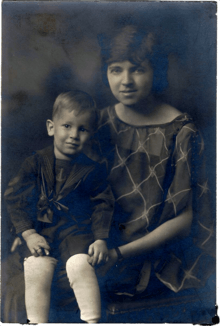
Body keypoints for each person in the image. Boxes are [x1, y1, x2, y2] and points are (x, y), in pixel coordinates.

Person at [91, 25, 215, 298]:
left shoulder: (182, 131)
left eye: (137, 69)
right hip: (98, 245)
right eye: (116, 69)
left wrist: (119, 253)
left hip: (157, 256)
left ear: (156, 71)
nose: (126, 81)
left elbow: (187, 219)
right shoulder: (98, 122)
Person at [4, 90, 114, 323]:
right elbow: (15, 198)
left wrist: (100, 239)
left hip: (76, 234)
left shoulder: (93, 170)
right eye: (67, 126)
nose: (74, 135)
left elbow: (103, 205)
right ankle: (36, 321)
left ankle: (92, 320)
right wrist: (29, 233)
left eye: (82, 129)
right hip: (42, 232)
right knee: (36, 266)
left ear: (91, 135)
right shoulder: (35, 162)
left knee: (80, 264)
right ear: (51, 127)